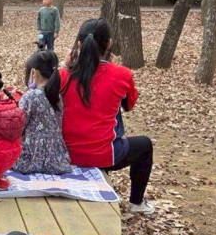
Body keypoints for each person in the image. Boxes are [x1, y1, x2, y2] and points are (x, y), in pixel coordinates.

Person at [61, 18, 154, 214]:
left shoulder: (62, 75)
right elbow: (129, 105)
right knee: (145, 145)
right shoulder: (122, 74)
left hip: (65, 153)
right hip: (104, 155)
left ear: (79, 44)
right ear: (109, 43)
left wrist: (64, 66)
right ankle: (137, 203)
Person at [14, 50, 72, 176]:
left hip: (31, 156)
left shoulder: (30, 96)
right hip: (56, 157)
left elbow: (19, 127)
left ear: (33, 72)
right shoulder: (57, 96)